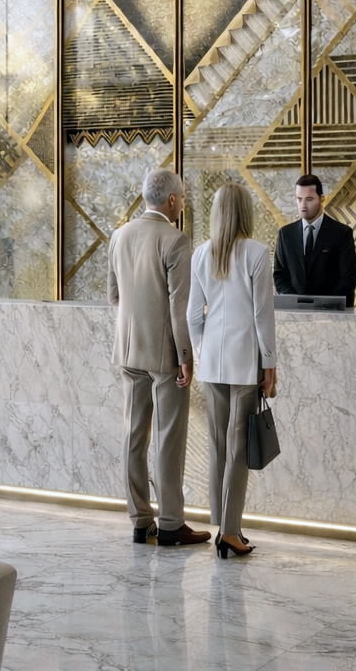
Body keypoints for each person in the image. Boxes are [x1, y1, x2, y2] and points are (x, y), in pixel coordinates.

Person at [107, 169, 211, 548]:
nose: (182, 203)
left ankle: (140, 520)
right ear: (171, 201)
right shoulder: (175, 238)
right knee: (168, 438)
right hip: (165, 355)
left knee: (133, 436)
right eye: (181, 197)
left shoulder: (119, 235)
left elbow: (114, 296)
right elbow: (179, 307)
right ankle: (170, 523)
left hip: (128, 352)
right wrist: (186, 356)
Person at [188, 183, 277, 559]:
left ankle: (222, 525)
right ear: (246, 212)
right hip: (244, 362)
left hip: (212, 363)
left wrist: (200, 353)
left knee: (218, 448)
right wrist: (269, 364)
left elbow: (194, 315)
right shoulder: (257, 253)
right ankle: (231, 531)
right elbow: (262, 315)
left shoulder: (201, 254)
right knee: (237, 448)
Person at [273, 173, 356, 303]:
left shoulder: (341, 233)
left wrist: (324, 304)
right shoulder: (285, 234)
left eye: (309, 199)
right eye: (299, 199)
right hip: (295, 312)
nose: (303, 205)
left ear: (322, 199)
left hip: (332, 312)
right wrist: (295, 301)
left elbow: (348, 278)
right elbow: (280, 274)